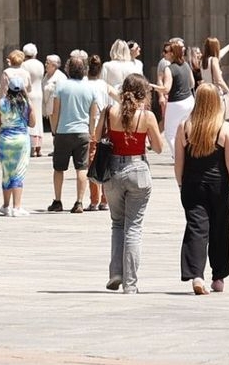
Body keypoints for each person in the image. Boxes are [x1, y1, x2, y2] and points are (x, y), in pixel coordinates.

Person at [96, 74, 164, 294]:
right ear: (143, 94)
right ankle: (130, 283)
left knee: (117, 224)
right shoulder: (147, 116)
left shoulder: (109, 112)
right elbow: (159, 147)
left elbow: (95, 136)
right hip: (138, 170)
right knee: (133, 227)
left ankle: (116, 272)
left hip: (113, 170)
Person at [174, 84, 229, 295]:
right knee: (219, 229)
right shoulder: (224, 129)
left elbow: (179, 162)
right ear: (216, 102)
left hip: (192, 185)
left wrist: (181, 185)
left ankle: (196, 275)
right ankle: (218, 277)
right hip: (219, 186)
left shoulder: (184, 127)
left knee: (196, 228)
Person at [49, 56, 101, 214]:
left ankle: (57, 201)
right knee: (81, 168)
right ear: (84, 69)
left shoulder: (61, 86)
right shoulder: (90, 88)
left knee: (59, 168)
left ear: (68, 69)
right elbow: (93, 114)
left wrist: (54, 130)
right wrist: (91, 131)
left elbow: (55, 111)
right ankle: (79, 202)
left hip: (63, 132)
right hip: (82, 132)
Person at [0, 74, 36, 217]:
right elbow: (32, 123)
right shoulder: (26, 103)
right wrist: (29, 102)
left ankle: (6, 206)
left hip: (5, 140)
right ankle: (17, 207)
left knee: (7, 172)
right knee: (19, 172)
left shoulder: (0, 103)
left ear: (8, 88)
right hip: (21, 140)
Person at [157, 38, 196, 157]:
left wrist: (152, 86)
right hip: (189, 100)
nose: (164, 53)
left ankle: (180, 158)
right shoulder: (186, 65)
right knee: (186, 130)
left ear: (172, 53)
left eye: (166, 51)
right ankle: (191, 155)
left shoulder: (169, 69)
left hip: (176, 103)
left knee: (170, 134)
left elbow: (166, 89)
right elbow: (192, 84)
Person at [84, 54, 112, 211]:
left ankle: (94, 200)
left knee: (92, 162)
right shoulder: (104, 85)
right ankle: (105, 200)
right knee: (105, 161)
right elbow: (119, 98)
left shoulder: (84, 84)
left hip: (90, 127)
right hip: (105, 126)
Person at [21, 43, 46, 158]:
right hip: (38, 93)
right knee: (38, 120)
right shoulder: (40, 64)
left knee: (30, 119)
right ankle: (38, 147)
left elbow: (24, 81)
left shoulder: (24, 65)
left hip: (29, 93)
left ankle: (31, 147)